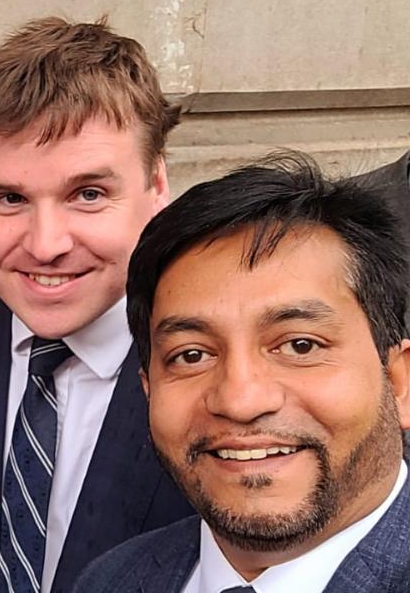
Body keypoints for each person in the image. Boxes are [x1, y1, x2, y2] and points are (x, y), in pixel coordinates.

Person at [0, 17, 193, 593]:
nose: (46, 244)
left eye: (88, 194)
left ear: (157, 188)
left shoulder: (214, 349)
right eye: (10, 198)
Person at [74, 152, 410, 592]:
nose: (240, 400)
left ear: (400, 381)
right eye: (192, 355)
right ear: (148, 389)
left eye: (299, 345)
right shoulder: (110, 580)